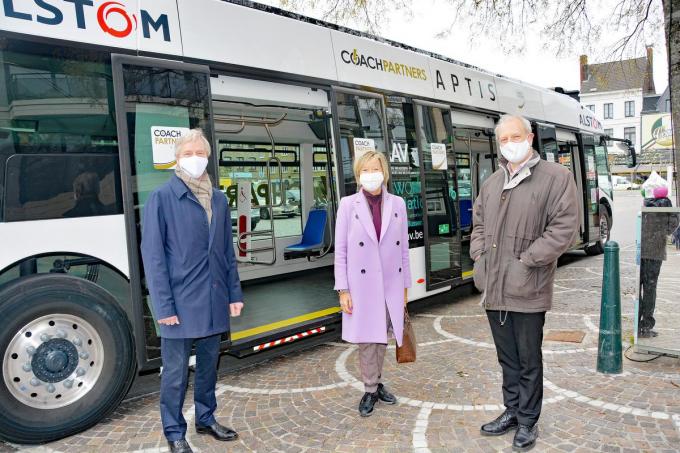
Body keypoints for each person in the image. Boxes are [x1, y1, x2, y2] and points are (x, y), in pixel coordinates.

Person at [470, 114, 578, 452]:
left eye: (515, 137)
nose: (509, 144)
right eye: (503, 139)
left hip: (528, 286)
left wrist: (526, 262)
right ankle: (512, 410)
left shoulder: (556, 178)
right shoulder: (491, 183)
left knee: (529, 358)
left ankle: (528, 420)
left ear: (530, 137)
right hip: (495, 288)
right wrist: (480, 257)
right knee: (507, 358)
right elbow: (479, 225)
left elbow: (563, 229)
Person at [141, 129, 244, 453]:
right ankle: (174, 431)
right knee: (174, 374)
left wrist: (234, 293)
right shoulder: (162, 198)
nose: (195, 158)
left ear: (208, 157)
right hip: (180, 304)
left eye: (200, 153)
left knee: (208, 367)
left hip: (214, 299)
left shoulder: (218, 198)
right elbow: (154, 257)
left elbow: (226, 252)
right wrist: (164, 307)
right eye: (188, 153)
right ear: (177, 158)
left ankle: (206, 417)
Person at [334, 150, 411, 417]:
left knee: (382, 338)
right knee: (368, 339)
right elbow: (341, 250)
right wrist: (343, 289)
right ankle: (370, 389)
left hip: (390, 282)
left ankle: (376, 384)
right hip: (361, 284)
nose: (370, 175)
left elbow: (404, 249)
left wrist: (405, 287)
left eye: (375, 169)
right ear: (358, 174)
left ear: (384, 171)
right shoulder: (347, 204)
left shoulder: (398, 204)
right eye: (364, 170)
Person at [639, 185, 679, 338]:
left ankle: (637, 324)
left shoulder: (646, 203)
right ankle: (646, 325)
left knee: (640, 286)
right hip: (655, 251)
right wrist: (663, 232)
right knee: (650, 288)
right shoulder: (667, 205)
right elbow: (672, 225)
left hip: (642, 250)